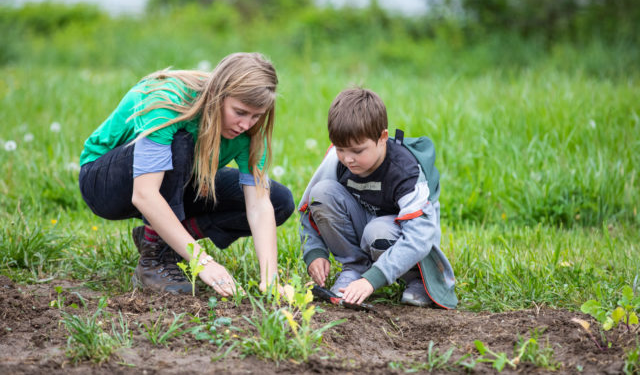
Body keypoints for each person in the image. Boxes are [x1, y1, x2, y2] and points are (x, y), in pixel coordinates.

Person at [79, 52, 294, 296]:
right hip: (105, 183)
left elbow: (258, 205)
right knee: (180, 143)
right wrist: (203, 261)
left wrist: (270, 279)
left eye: (256, 116)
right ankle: (155, 261)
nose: (246, 125)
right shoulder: (170, 102)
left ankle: (167, 240)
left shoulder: (250, 132)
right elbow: (144, 194)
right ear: (217, 95)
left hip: (180, 179)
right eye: (240, 112)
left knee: (279, 201)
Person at [298, 87, 457, 308]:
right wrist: (314, 252)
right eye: (341, 149)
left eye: (358, 151)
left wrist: (374, 280)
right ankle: (355, 269)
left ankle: (417, 279)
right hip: (366, 228)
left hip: (400, 236)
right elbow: (308, 209)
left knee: (377, 231)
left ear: (382, 137)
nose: (348, 159)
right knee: (321, 193)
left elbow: (420, 236)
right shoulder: (337, 160)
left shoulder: (405, 171)